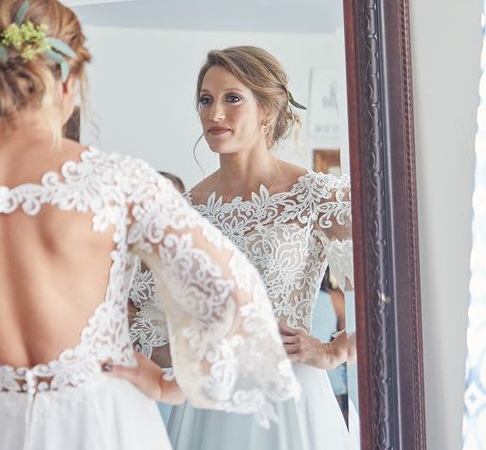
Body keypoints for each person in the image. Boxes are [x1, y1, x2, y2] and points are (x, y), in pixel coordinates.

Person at [0, 0, 299, 450]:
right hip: (104, 421)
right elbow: (235, 296)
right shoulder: (115, 182)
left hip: (2, 427)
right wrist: (169, 385)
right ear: (69, 78)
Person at [129, 46, 356, 449]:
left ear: (267, 110)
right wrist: (184, 353)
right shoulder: (185, 210)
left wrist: (333, 351)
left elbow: (386, 299)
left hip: (290, 399)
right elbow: (139, 309)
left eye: (232, 98)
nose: (215, 114)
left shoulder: (316, 196)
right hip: (208, 406)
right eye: (206, 100)